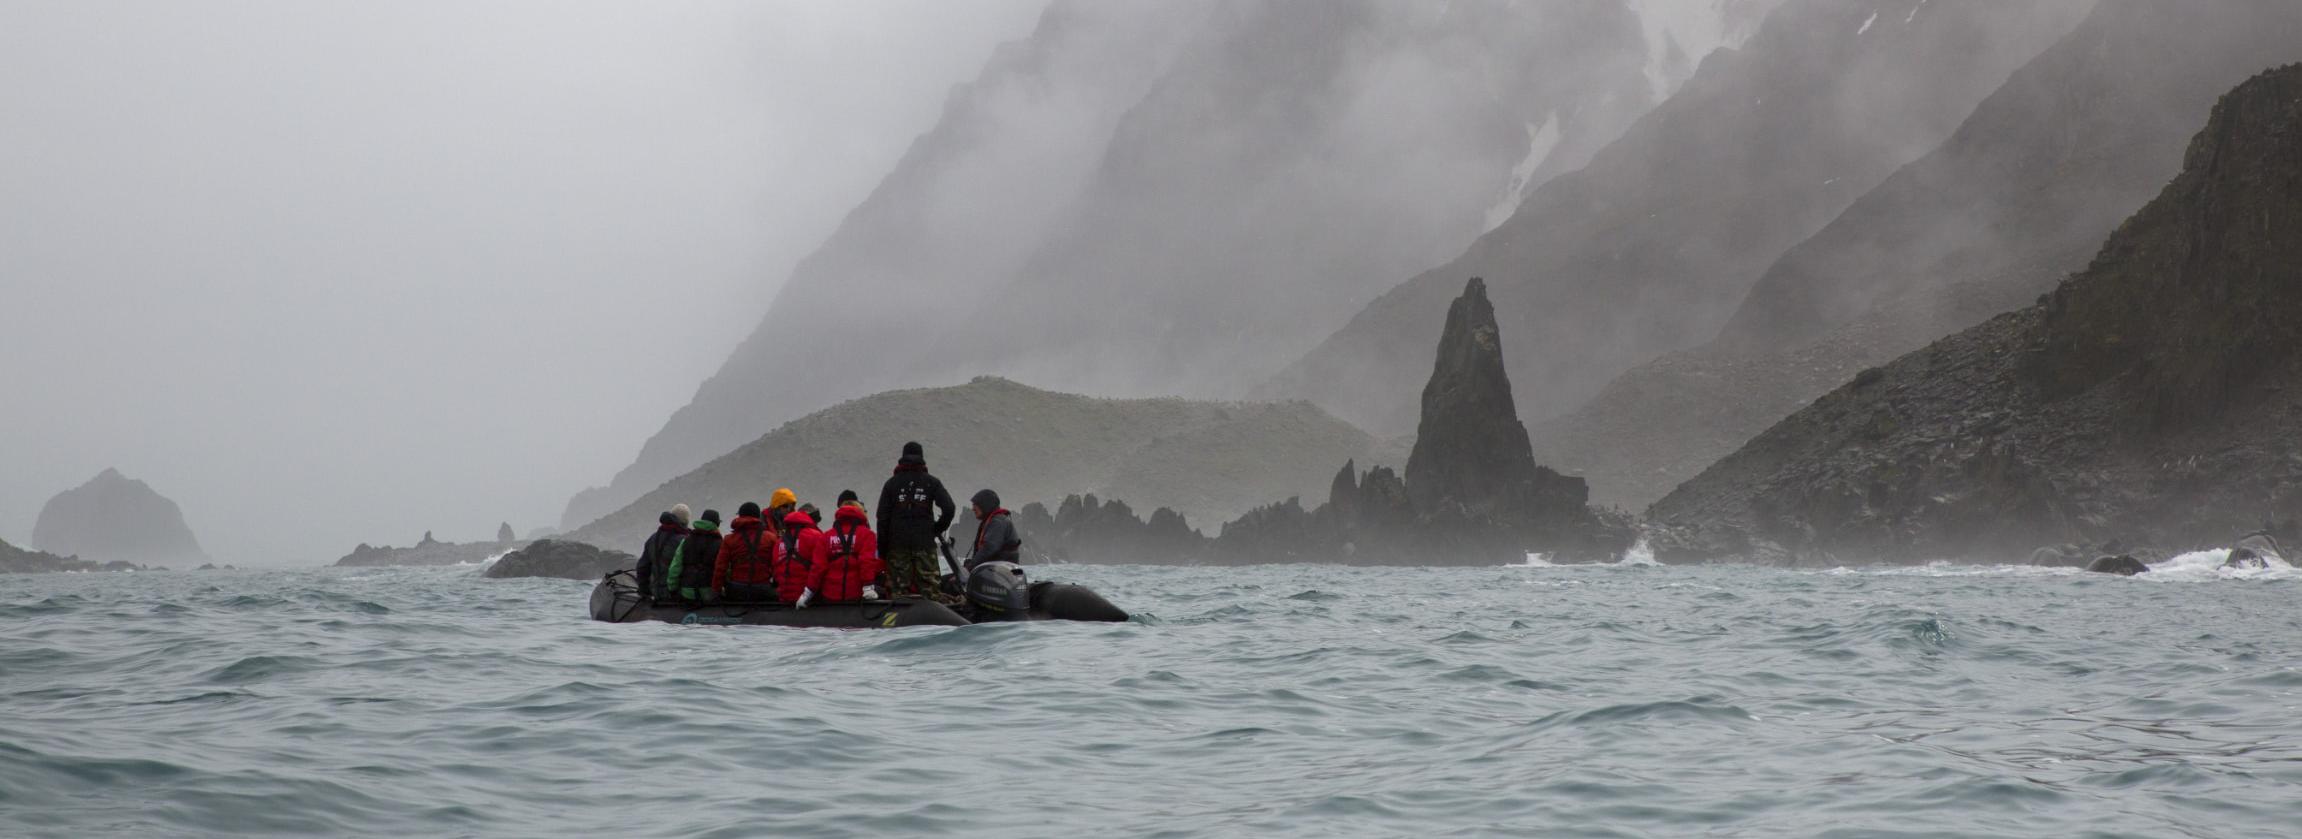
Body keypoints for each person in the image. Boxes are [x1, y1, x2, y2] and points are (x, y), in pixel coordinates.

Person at [876, 441, 955, 598]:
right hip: (924, 544)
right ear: (922, 457)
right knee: (930, 591)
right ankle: (933, 620)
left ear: (902, 457)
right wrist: (935, 530)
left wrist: (884, 549)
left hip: (897, 546)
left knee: (898, 593)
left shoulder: (891, 484)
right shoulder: (932, 482)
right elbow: (949, 509)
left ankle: (899, 620)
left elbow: (882, 518)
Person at [813, 497, 883, 603]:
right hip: (856, 594)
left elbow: (818, 567)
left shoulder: (826, 536)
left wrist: (808, 593)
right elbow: (867, 562)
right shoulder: (867, 535)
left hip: (830, 595)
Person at [715, 502, 776, 602]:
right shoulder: (771, 538)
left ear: (740, 516)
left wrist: (716, 590)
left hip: (737, 590)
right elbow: (777, 566)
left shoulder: (729, 539)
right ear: (758, 517)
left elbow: (720, 568)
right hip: (763, 590)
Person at [774, 507, 827, 605]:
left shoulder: (779, 542)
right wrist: (808, 593)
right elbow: (819, 567)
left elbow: (776, 569)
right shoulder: (816, 536)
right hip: (809, 598)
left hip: (784, 598)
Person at [667, 509, 722, 603]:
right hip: (709, 593)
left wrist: (672, 588)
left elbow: (675, 567)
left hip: (687, 592)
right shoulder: (720, 543)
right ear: (717, 524)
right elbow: (723, 569)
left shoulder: (686, 540)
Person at [964, 489, 1022, 571]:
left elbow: (988, 549)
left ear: (985, 505)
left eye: (975, 504)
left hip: (999, 572)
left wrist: (968, 569)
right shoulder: (994, 520)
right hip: (995, 571)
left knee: (948, 581)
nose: (973, 508)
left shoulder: (998, 522)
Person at [637, 510, 687, 601]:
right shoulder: (683, 541)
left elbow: (642, 567)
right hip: (676, 594)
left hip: (656, 592)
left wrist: (644, 591)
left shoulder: (652, 539)